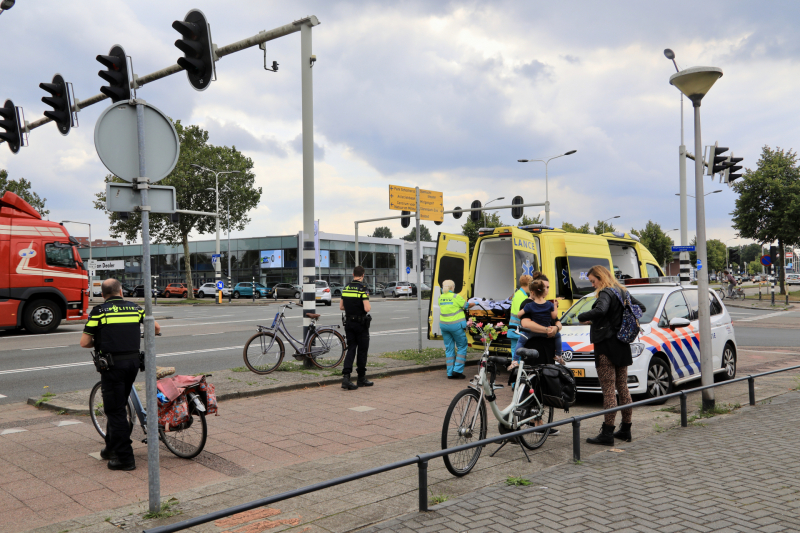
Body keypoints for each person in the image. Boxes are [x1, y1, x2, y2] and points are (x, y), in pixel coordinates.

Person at [80, 278, 161, 471]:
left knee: (115, 411)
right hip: (133, 364)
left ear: (102, 294)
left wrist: (99, 342)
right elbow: (156, 328)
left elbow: (84, 342)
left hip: (112, 366)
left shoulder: (99, 311)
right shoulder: (136, 308)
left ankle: (125, 458)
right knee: (117, 404)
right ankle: (110, 448)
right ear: (121, 292)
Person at [577, 265, 646, 445]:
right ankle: (625, 429)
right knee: (623, 387)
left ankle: (607, 433)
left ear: (600, 277)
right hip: (622, 344)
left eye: (593, 281)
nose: (593, 285)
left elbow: (600, 311)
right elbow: (641, 307)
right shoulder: (622, 291)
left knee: (608, 390)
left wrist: (583, 315)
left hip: (606, 346)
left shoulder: (605, 292)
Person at [340, 266, 373, 390]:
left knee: (351, 349)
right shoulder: (363, 289)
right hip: (361, 324)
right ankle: (361, 378)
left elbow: (341, 307)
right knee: (362, 350)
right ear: (362, 275)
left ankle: (346, 378)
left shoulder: (346, 288)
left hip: (349, 323)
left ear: (353, 274)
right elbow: (367, 308)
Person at [438, 279, 476, 379]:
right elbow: (466, 305)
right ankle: (457, 371)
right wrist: (475, 302)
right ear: (452, 287)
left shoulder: (440, 297)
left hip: (444, 326)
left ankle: (450, 373)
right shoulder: (456, 297)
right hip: (456, 326)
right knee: (462, 346)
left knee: (449, 348)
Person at [507, 274, 532, 357]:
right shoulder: (522, 296)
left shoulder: (519, 294)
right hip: (518, 328)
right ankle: (516, 367)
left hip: (513, 327)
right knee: (518, 350)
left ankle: (515, 367)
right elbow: (520, 313)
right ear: (529, 284)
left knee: (514, 349)